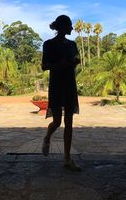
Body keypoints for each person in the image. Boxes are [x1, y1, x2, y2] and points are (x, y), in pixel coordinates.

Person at [41, 14, 82, 171]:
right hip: (57, 85)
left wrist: (74, 62)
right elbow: (44, 66)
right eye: (69, 25)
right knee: (57, 121)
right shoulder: (48, 44)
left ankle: (67, 158)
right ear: (62, 27)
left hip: (69, 84)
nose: (72, 28)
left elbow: (75, 60)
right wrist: (61, 64)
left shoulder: (72, 45)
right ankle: (47, 137)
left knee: (69, 122)